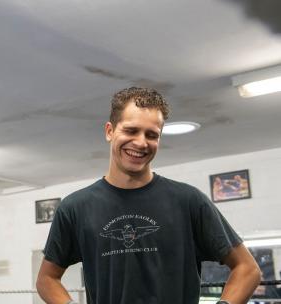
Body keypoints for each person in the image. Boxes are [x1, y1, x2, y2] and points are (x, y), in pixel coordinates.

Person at [36, 87, 261, 304]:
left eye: (152, 135)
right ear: (109, 131)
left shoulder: (188, 201)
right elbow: (47, 279)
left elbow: (247, 269)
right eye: (131, 130)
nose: (141, 143)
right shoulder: (76, 207)